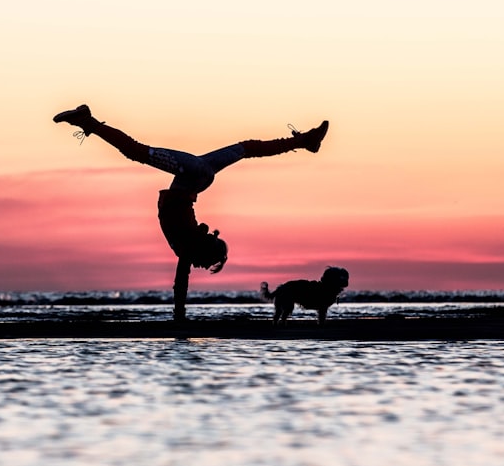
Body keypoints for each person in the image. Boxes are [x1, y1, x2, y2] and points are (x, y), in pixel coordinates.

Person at [53, 104, 329, 321]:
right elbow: (180, 283)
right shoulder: (188, 246)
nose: (199, 267)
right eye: (205, 263)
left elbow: (186, 270)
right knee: (136, 152)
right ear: (203, 253)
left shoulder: (193, 239)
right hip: (192, 174)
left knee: (246, 148)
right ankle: (86, 120)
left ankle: (305, 141)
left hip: (198, 178)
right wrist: (179, 316)